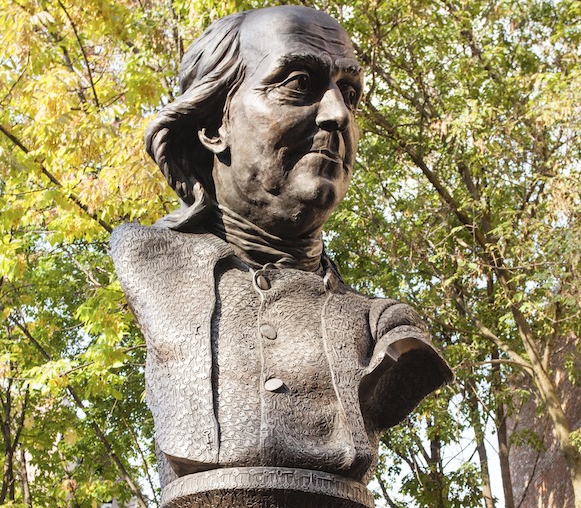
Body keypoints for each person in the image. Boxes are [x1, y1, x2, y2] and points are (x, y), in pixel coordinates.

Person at [111, 5, 453, 506]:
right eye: (298, 84)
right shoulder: (152, 266)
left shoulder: (381, 323)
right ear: (214, 126)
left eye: (349, 94)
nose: (338, 115)